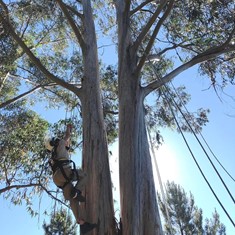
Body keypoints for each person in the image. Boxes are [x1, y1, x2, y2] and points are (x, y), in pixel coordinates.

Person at [45, 124, 97, 234]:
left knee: (71, 198)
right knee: (84, 176)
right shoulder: (60, 143)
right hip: (64, 171)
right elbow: (67, 136)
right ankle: (77, 191)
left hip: (58, 179)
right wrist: (69, 128)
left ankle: (82, 224)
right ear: (55, 141)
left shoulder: (53, 155)